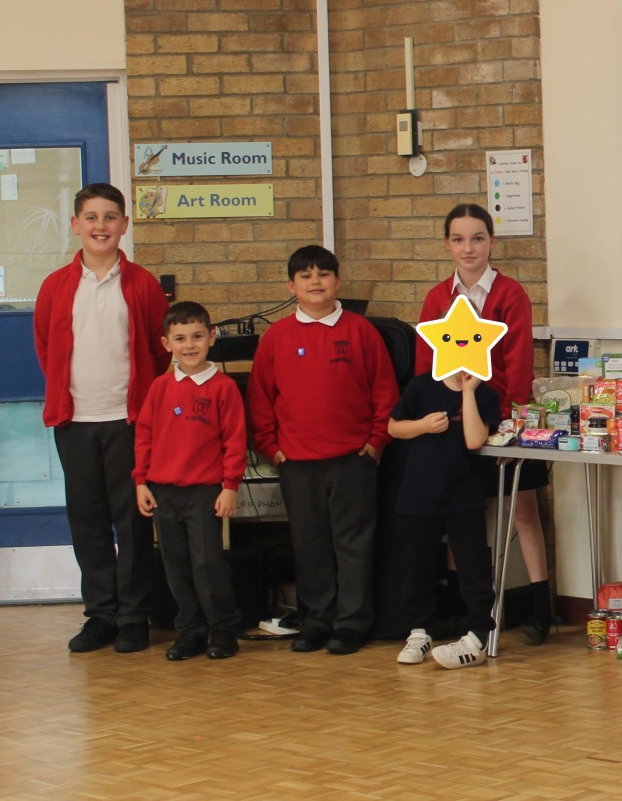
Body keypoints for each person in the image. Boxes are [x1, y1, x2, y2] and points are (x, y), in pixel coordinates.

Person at [34, 183, 170, 654]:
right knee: (87, 521)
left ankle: (134, 615)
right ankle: (101, 614)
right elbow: (46, 349)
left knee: (132, 519)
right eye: (91, 217)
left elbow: (158, 348)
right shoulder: (54, 286)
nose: (101, 226)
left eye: (110, 217)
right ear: (76, 225)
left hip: (128, 421)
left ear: (124, 226)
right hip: (74, 421)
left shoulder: (143, 284)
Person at [248, 245, 399, 655]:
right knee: (310, 544)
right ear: (291, 285)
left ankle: (351, 623)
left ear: (338, 280)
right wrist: (272, 448)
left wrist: (374, 444)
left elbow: (384, 391)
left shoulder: (360, 331)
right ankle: (316, 621)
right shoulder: (277, 337)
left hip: (353, 461)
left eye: (324, 274)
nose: (315, 282)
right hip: (296, 463)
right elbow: (261, 398)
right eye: (306, 276)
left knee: (353, 545)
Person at [416, 203, 553, 643]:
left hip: (501, 421)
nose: (468, 248)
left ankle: (541, 609)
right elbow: (427, 365)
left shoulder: (510, 294)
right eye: (458, 239)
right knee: (462, 517)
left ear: (491, 241)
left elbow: (518, 366)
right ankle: (465, 610)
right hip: (453, 423)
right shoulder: (438, 298)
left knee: (525, 513)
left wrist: (505, 428)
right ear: (447, 245)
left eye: (477, 238)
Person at [133, 302, 247, 661]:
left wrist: (230, 486)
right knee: (176, 565)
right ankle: (191, 630)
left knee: (207, 564)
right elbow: (144, 436)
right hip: (164, 492)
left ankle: (224, 630)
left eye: (197, 336)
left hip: (204, 492)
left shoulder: (224, 387)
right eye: (180, 338)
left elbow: (235, 439)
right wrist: (141, 482)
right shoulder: (159, 388)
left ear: (211, 337)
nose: (189, 345)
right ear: (167, 344)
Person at [389, 369, 501, 670]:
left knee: (473, 566)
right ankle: (418, 632)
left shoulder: (484, 393)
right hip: (419, 491)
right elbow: (394, 428)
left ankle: (478, 635)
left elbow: (475, 439)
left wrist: (467, 392)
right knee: (417, 566)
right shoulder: (422, 386)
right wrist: (422, 426)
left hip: (463, 493)